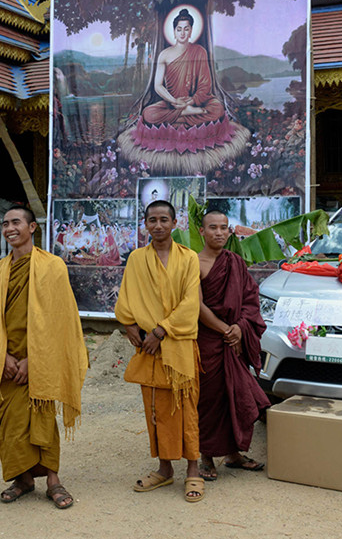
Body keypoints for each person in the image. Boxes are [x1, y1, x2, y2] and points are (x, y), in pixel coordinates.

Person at [0, 205, 88, 509]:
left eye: (16, 222)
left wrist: (34, 359)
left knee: (43, 417)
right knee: (10, 422)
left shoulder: (53, 267)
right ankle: (22, 478)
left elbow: (61, 320)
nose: (10, 228)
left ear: (32, 227)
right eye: (5, 224)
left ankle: (53, 479)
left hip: (42, 359)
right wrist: (3, 357)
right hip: (7, 361)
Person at [114, 200, 205, 503]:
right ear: (145, 224)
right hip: (150, 350)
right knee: (155, 410)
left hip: (177, 345)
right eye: (152, 220)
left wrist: (161, 330)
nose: (158, 225)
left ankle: (193, 469)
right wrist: (128, 324)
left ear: (174, 223)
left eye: (164, 219)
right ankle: (164, 468)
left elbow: (191, 303)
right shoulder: (137, 259)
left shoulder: (189, 258)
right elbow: (127, 296)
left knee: (186, 407)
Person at [196, 210, 270, 481]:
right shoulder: (194, 263)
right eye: (212, 227)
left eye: (224, 228)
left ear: (230, 232)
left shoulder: (236, 262)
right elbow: (196, 305)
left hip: (234, 339)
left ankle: (233, 454)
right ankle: (206, 455)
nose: (219, 232)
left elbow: (250, 300)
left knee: (235, 396)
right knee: (210, 398)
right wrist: (226, 329)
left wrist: (240, 327)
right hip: (208, 340)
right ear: (202, 231)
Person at [139, 8, 226, 130]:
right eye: (179, 29)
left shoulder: (200, 51)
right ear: (174, 32)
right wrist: (174, 101)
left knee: (218, 109)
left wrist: (191, 101)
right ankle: (188, 113)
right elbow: (158, 86)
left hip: (193, 101)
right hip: (172, 103)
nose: (182, 33)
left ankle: (180, 116)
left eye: (186, 29)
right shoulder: (164, 55)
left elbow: (205, 85)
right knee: (148, 114)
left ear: (191, 31)